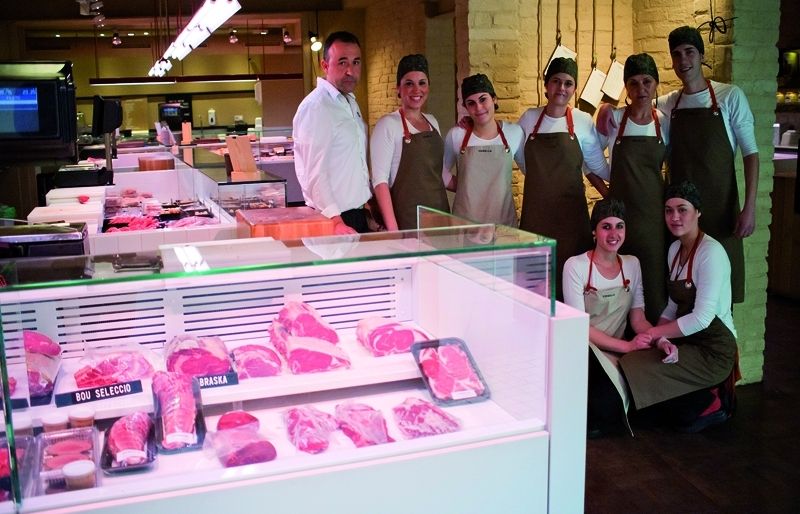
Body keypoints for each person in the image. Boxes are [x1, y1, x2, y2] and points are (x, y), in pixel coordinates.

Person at [598, 26, 758, 303]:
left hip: (719, 209)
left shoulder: (730, 97)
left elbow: (751, 154)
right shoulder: (670, 103)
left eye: (689, 52)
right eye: (677, 54)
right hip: (678, 214)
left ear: (701, 55)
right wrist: (606, 108)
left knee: (720, 291)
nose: (683, 60)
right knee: (681, 288)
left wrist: (750, 208)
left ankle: (719, 333)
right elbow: (637, 106)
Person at [620, 181, 738, 433]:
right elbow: (673, 305)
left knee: (653, 393)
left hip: (714, 349)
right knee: (633, 362)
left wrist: (654, 332)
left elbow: (702, 318)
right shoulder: (675, 249)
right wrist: (660, 340)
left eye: (682, 209)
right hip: (688, 340)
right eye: (669, 210)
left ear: (698, 212)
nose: (674, 217)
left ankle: (713, 402)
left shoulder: (711, 253)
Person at [563, 198, 677, 437]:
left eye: (620, 226)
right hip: (584, 351)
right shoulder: (575, 266)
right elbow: (578, 327)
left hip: (619, 350)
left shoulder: (632, 264)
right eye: (606, 227)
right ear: (594, 232)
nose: (614, 234)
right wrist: (627, 346)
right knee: (602, 409)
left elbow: (638, 319)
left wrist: (659, 340)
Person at [518, 57, 611, 300]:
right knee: (535, 288)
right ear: (546, 85)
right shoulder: (529, 118)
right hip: (536, 220)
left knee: (572, 288)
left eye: (568, 83)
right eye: (556, 81)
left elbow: (597, 166)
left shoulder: (582, 120)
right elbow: (520, 159)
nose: (561, 88)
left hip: (571, 221)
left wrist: (626, 174)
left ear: (574, 88)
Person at [599, 53, 670, 324]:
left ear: (656, 84)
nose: (641, 89)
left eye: (647, 81)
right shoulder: (614, 119)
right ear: (626, 88)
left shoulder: (664, 122)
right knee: (620, 280)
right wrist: (607, 194)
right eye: (633, 83)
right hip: (620, 220)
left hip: (653, 220)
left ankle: (652, 336)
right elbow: (588, 160)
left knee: (652, 281)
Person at [292, 31, 371, 234]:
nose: (350, 71)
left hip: (356, 214)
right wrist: (336, 222)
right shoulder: (317, 107)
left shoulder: (349, 102)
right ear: (325, 65)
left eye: (356, 62)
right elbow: (315, 174)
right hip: (334, 220)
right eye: (342, 62)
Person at [370, 54, 449, 231]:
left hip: (441, 216)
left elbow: (440, 174)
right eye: (409, 83)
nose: (416, 90)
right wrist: (393, 230)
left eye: (422, 83)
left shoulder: (432, 121)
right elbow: (380, 182)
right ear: (398, 88)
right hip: (407, 221)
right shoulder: (388, 124)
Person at [442, 73, 525, 226]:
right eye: (471, 103)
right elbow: (441, 174)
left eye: (483, 99)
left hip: (503, 224)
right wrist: (465, 188)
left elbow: (531, 172)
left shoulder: (514, 133)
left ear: (494, 99)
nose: (478, 108)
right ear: (465, 107)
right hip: (466, 224)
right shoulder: (456, 135)